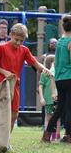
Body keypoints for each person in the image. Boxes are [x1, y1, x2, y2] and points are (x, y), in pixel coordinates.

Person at [0, 23, 52, 137]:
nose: (18, 43)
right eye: (16, 39)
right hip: (1, 85)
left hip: (15, 85)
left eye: (21, 41)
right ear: (11, 35)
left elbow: (35, 63)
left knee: (14, 115)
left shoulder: (24, 50)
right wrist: (4, 72)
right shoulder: (1, 48)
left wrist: (46, 70)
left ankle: (5, 140)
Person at [41, 14, 71, 143]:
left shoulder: (59, 41)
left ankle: (47, 135)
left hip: (59, 79)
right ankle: (68, 135)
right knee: (69, 108)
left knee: (60, 108)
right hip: (69, 77)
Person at [39, 55, 60, 141]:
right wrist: (41, 98)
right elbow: (40, 86)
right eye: (55, 61)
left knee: (57, 117)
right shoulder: (44, 73)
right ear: (51, 62)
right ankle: (48, 135)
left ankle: (56, 136)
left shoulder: (57, 73)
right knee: (48, 117)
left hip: (57, 98)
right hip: (48, 100)